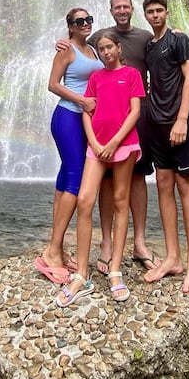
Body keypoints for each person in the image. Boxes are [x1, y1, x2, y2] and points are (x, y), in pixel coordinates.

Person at [56, 0, 160, 274]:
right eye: (118, 7)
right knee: (103, 182)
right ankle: (103, 245)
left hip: (136, 118)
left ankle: (138, 243)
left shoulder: (145, 37)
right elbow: (78, 48)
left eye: (126, 6)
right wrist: (63, 41)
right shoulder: (98, 39)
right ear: (111, 11)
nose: (122, 10)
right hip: (100, 126)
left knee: (136, 179)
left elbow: (163, 42)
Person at [56, 31, 144, 307]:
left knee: (120, 201)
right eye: (102, 49)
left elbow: (135, 112)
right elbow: (86, 111)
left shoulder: (131, 74)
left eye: (110, 47)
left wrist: (115, 141)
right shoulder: (95, 77)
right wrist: (94, 142)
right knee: (84, 200)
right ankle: (81, 274)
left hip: (124, 145)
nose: (105, 52)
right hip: (96, 147)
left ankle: (115, 271)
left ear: (118, 48)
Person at [141, 0, 189, 296]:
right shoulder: (148, 45)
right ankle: (172, 258)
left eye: (159, 10)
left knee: (185, 185)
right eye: (150, 11)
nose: (155, 15)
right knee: (163, 184)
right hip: (155, 124)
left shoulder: (179, 40)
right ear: (146, 16)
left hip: (180, 125)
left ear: (167, 12)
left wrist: (181, 119)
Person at [36, 7, 102, 285]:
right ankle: (52, 252)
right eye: (80, 21)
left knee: (65, 179)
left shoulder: (94, 49)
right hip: (68, 117)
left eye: (88, 20)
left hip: (83, 120)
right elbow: (53, 84)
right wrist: (83, 101)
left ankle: (58, 248)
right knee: (75, 179)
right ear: (70, 27)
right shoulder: (67, 50)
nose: (85, 24)